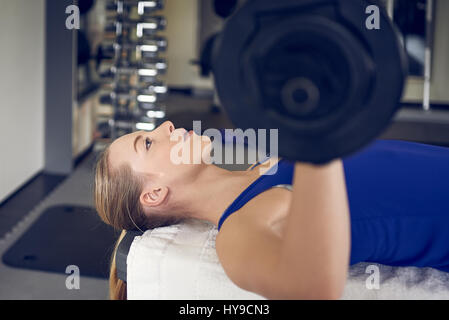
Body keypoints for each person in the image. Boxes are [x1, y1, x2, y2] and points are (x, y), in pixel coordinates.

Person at [94, 121, 449, 300]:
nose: (166, 126)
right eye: (149, 142)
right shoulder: (239, 230)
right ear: (154, 194)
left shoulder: (266, 164)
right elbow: (310, 286)